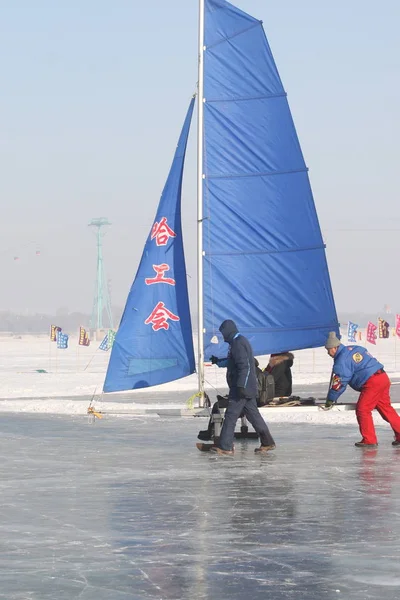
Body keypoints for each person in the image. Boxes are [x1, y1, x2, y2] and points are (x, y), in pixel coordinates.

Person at [208, 319, 276, 456]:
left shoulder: (238, 343)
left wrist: (241, 386)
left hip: (241, 388)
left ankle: (226, 446)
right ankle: (267, 442)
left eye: (223, 333)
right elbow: (232, 361)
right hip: (246, 387)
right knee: (254, 416)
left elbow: (244, 366)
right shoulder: (237, 342)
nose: (223, 336)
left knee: (231, 415)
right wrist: (218, 362)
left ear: (228, 331)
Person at [324, 331, 400, 447]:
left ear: (334, 348)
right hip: (383, 378)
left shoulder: (341, 361)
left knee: (363, 409)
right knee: (385, 408)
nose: (328, 353)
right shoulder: (355, 348)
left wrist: (330, 399)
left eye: (328, 350)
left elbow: (339, 383)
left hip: (372, 382)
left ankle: (369, 440)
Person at [197, 357, 271, 441]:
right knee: (221, 403)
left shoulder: (244, 371)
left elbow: (242, 388)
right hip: (249, 398)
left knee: (217, 405)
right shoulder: (251, 368)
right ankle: (267, 440)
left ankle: (212, 433)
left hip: (247, 400)